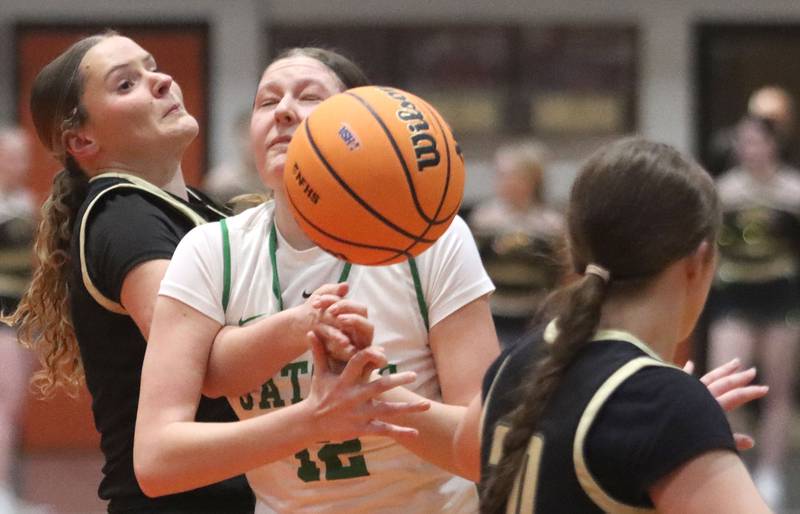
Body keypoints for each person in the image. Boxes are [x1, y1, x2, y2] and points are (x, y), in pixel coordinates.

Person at [133, 47, 501, 513]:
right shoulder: (210, 252)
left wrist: (374, 396)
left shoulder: (434, 239)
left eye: (309, 97)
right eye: (267, 102)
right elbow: (156, 461)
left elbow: (486, 448)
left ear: (359, 124)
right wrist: (313, 420)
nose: (284, 110)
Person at [0, 32, 260, 513]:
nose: (161, 81)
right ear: (82, 139)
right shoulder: (125, 218)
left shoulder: (200, 207)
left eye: (153, 66)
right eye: (126, 84)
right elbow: (207, 367)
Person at [449, 138, 771, 513]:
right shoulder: (662, 407)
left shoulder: (518, 362)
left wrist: (676, 433)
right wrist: (679, 422)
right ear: (698, 260)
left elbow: (461, 451)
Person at [708, 114, 800, 508]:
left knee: (778, 389)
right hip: (734, 293)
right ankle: (737, 470)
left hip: (780, 291)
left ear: (772, 145)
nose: (751, 150)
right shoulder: (723, 192)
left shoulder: (793, 191)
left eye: (758, 142)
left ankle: (771, 474)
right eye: (743, 143)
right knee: (731, 382)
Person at [469, 140, 565, 347]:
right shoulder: (484, 219)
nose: (505, 182)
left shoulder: (551, 224)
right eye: (500, 175)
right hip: (494, 313)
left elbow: (560, 272)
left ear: (533, 179)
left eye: (513, 175)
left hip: (533, 313)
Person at [0, 126, 42, 514]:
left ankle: (7, 491)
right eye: (12, 157)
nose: (20, 164)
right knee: (3, 408)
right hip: (1, 324)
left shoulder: (25, 202)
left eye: (23, 156)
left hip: (18, 321)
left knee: (11, 409)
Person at [707, 85, 797, 175]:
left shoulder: (795, 185)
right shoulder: (725, 187)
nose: (751, 151)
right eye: (745, 142)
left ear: (772, 143)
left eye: (756, 143)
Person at [202, 109, 268, 205]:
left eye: (258, 137)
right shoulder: (220, 182)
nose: (251, 143)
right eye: (246, 136)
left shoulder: (276, 182)